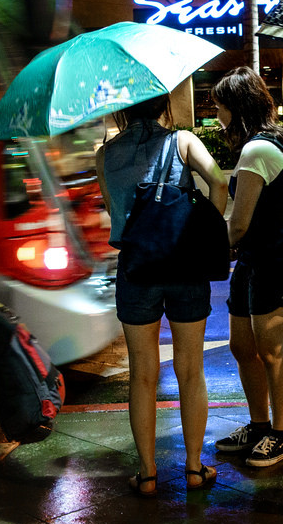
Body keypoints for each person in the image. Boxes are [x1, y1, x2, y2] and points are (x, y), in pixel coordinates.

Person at [96, 96, 228, 496]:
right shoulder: (183, 141)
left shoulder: (105, 156)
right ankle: (192, 468)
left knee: (142, 373)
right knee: (190, 370)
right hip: (185, 267)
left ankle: (148, 473)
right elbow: (219, 182)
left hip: (137, 270)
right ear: (163, 107)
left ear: (122, 109)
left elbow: (114, 212)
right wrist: (206, 230)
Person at [211, 66, 283, 468]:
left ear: (237, 107)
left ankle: (281, 436)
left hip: (278, 264)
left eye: (219, 108)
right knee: (243, 348)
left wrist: (201, 248)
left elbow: (239, 224)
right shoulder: (258, 145)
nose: (217, 117)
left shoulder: (258, 150)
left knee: (271, 352)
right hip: (254, 263)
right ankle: (258, 424)